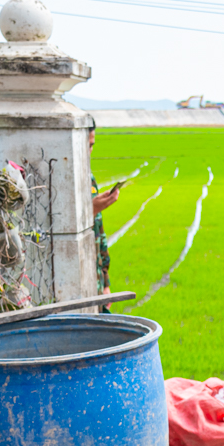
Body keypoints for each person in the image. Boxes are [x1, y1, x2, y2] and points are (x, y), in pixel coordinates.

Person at [90, 128, 121, 310]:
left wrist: (105, 283)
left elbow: (99, 232)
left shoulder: (89, 178)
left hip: (97, 283)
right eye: (86, 145)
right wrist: (90, 210)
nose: (90, 151)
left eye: (92, 145)